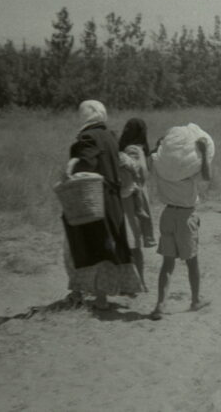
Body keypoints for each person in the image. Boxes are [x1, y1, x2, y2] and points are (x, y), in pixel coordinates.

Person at [63, 101, 145, 310]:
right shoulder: (109, 136)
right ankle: (110, 293)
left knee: (91, 246)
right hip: (113, 199)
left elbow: (86, 163)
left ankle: (95, 297)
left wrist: (72, 165)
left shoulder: (88, 137)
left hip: (93, 200)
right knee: (110, 246)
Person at [151, 129, 211, 318]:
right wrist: (202, 154)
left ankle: (160, 304)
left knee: (167, 263)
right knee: (192, 261)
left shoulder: (161, 170)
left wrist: (160, 146)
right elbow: (207, 176)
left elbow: (155, 157)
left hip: (167, 214)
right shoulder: (187, 173)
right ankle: (195, 300)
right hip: (186, 216)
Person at [117, 118, 155, 287]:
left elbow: (130, 174)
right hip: (139, 195)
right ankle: (140, 281)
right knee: (135, 241)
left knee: (131, 240)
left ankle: (136, 282)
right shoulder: (141, 150)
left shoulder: (130, 150)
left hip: (130, 198)